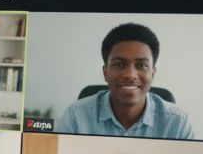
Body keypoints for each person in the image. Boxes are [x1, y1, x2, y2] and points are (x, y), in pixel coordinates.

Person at [55, 22, 195, 139]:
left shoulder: (178, 122)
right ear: (105, 73)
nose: (130, 75)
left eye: (141, 65)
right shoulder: (76, 116)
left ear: (153, 73)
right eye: (119, 64)